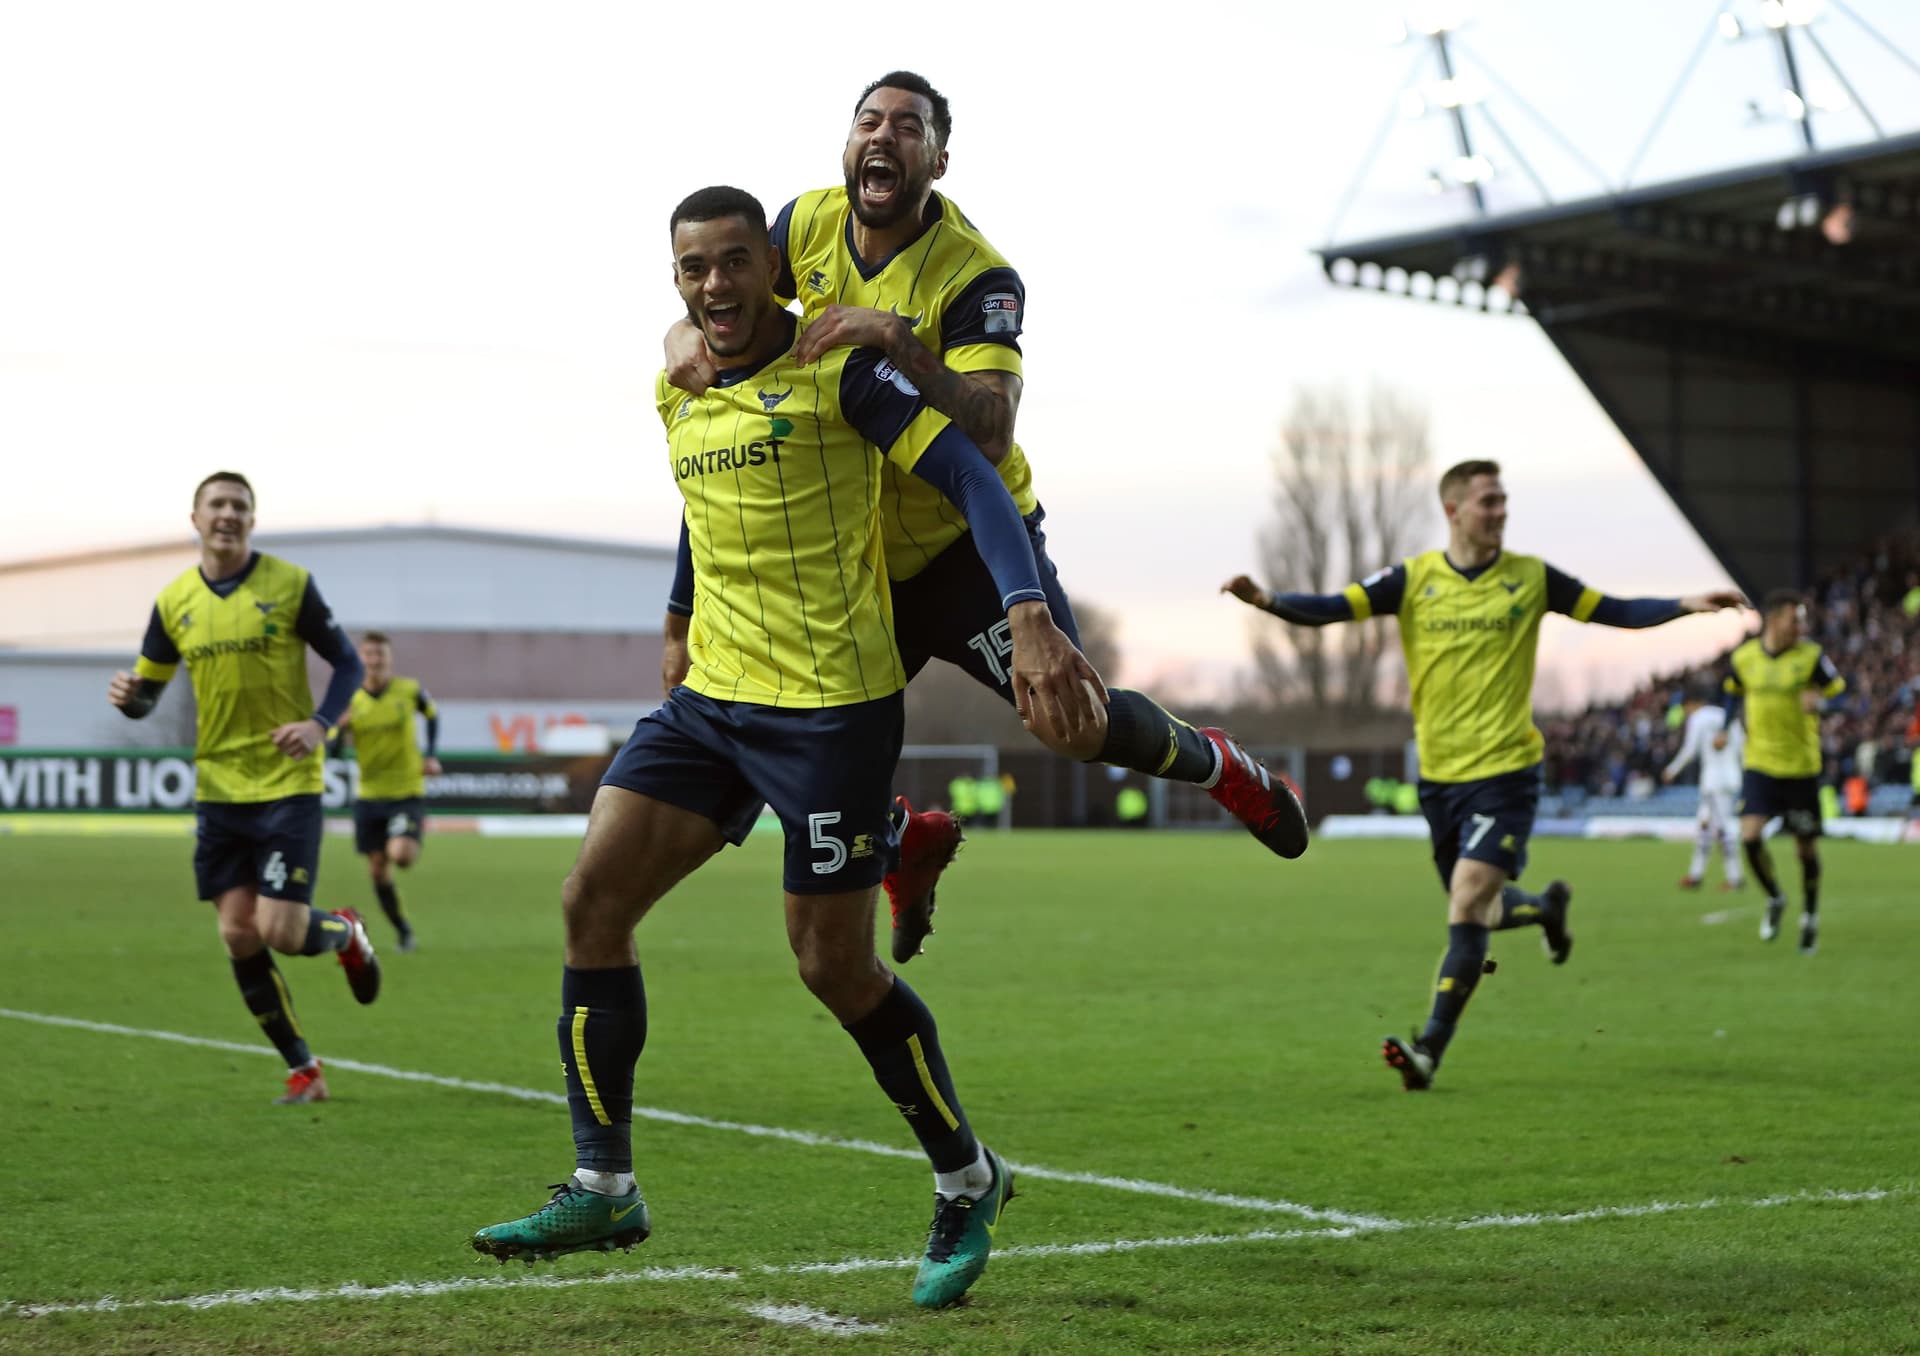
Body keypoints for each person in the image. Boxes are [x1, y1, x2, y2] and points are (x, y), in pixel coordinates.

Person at [471, 187, 1104, 1310]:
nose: (712, 287)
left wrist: (1028, 611)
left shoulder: (846, 377)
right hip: (713, 701)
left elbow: (968, 472)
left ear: (774, 265)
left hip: (829, 715)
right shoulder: (678, 385)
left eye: (731, 263)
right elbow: (700, 513)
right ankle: (603, 1181)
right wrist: (675, 618)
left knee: (833, 967)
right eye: (691, 269)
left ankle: (968, 1177)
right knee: (590, 904)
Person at [664, 72, 1307, 965]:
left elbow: (993, 427)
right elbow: (727, 319)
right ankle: (902, 841)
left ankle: (1220, 765)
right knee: (768, 714)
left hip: (965, 545)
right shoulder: (799, 224)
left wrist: (893, 338)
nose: (883, 137)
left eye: (908, 127)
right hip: (854, 560)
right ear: (847, 146)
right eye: (868, 122)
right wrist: (678, 336)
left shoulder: (978, 274)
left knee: (1074, 725)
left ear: (938, 158)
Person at [1222, 459, 1744, 1091]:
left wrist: (1686, 604)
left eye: (1503, 501)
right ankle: (1548, 910)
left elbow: (1613, 609)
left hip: (1508, 772)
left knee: (1467, 900)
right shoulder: (1415, 579)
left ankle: (1428, 1052)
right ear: (1453, 510)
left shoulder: (1531, 577)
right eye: (1487, 502)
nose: (1499, 512)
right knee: (1482, 911)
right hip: (1440, 779)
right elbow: (1335, 607)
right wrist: (1269, 601)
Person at [107, 471, 380, 1106]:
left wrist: (318, 724)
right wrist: (130, 699)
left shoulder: (289, 585)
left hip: (286, 783)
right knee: (237, 933)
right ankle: (304, 1069)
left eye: (240, 505)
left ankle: (345, 933)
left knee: (281, 930)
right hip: (219, 785)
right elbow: (146, 694)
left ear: (251, 520)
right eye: (217, 505)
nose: (228, 514)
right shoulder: (174, 601)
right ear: (196, 519)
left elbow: (348, 663)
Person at [1725, 590, 1847, 954]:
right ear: (1774, 619)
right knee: (1749, 836)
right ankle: (1776, 897)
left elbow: (1841, 694)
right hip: (1760, 763)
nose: (1800, 626)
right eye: (1795, 619)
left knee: (1805, 850)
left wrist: (1822, 702)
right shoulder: (1744, 657)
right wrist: (1723, 725)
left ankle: (1809, 916)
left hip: (1801, 768)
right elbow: (1732, 692)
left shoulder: (1811, 658)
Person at [332, 631, 441, 951]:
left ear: (389, 660)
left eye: (380, 655)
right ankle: (404, 931)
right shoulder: (352, 698)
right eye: (369, 655)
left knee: (401, 855)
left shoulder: (409, 690)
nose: (375, 661)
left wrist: (431, 753)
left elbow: (432, 715)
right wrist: (340, 729)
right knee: (378, 871)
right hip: (368, 794)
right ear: (362, 659)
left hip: (406, 790)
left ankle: (407, 832)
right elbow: (334, 751)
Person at [1660, 678, 1745, 892]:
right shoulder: (1726, 715)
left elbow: (1690, 750)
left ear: (1692, 703)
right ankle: (1696, 875)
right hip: (1730, 778)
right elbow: (1743, 747)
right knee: (1705, 827)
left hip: (1714, 781)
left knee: (1723, 829)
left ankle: (1735, 878)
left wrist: (1671, 770)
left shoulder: (1698, 718)